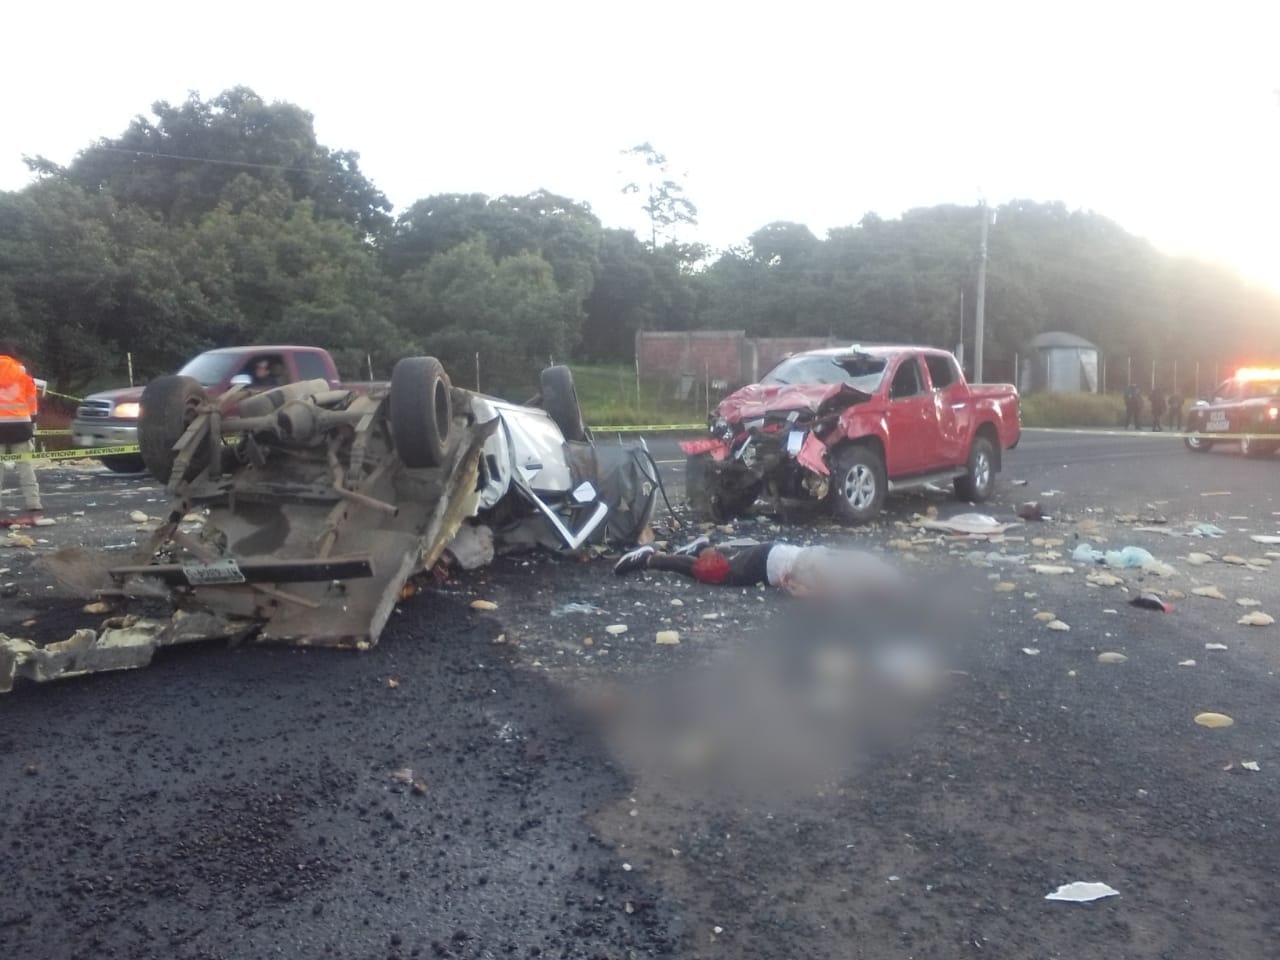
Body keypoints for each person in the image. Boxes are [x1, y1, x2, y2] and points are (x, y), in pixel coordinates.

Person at [614, 536, 900, 598]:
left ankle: (701, 548)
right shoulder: (846, 582)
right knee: (715, 575)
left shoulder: (865, 561)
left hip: (778, 551)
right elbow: (806, 589)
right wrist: (797, 588)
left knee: (726, 565)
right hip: (769, 564)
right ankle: (652, 558)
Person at [0, 342, 43, 515]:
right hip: (20, 423)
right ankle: (33, 502)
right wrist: (32, 419)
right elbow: (31, 399)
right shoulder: (23, 373)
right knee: (25, 465)